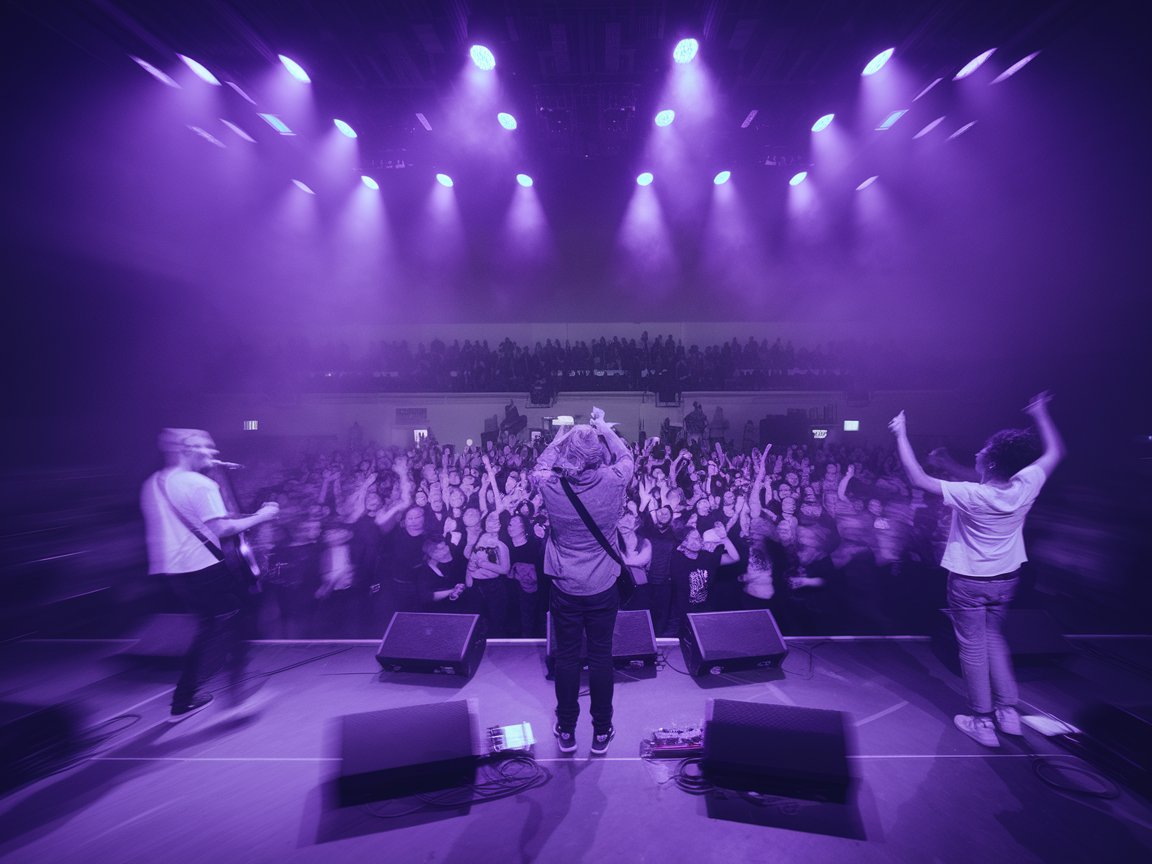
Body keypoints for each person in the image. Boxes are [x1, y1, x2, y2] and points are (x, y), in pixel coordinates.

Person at [889, 392, 1064, 747]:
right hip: (1007, 580)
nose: (978, 452)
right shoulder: (1026, 482)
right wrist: (1041, 413)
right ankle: (1007, 712)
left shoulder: (973, 494)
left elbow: (918, 478)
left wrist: (901, 433)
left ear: (993, 463)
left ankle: (981, 720)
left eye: (984, 450)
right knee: (994, 638)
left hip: (969, 582)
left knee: (972, 648)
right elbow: (1055, 452)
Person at [140, 428, 279, 720]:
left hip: (173, 573)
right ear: (186, 450)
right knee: (240, 621)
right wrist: (262, 516)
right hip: (203, 569)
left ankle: (183, 700)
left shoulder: (153, 483)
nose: (213, 452)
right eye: (206, 446)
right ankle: (235, 699)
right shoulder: (200, 483)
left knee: (209, 628)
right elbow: (221, 528)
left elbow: (196, 522)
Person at [533, 408, 634, 756]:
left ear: (568, 456)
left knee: (567, 659)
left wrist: (560, 438)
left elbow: (541, 464)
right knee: (601, 658)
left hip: (565, 587)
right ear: (597, 456)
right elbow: (626, 456)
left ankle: (566, 729)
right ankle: (602, 730)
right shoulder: (614, 480)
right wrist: (603, 427)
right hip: (602, 587)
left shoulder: (551, 485)